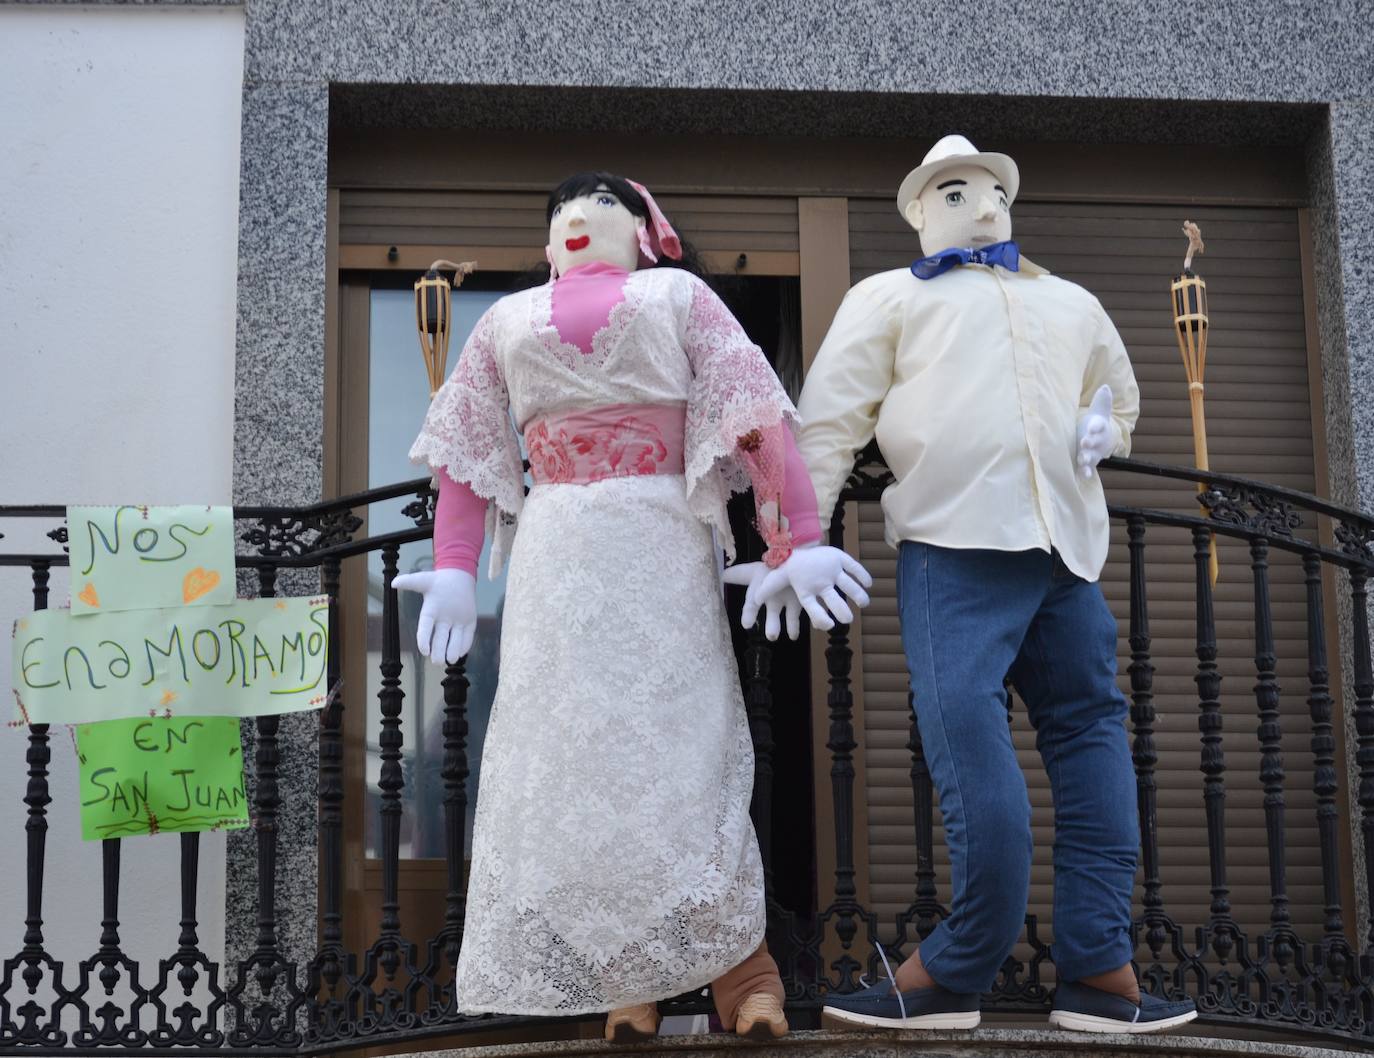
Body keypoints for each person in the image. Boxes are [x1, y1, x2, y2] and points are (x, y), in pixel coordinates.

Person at [396, 172, 872, 1042]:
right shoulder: (504, 321)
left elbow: (753, 419)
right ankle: (627, 980)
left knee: (685, 759)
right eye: (562, 211)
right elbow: (464, 449)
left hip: (660, 546)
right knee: (576, 767)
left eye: (604, 204)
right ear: (547, 242)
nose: (579, 217)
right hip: (556, 558)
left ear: (648, 230)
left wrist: (796, 536)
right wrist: (456, 566)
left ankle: (745, 975)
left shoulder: (680, 296)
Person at [779, 136, 1198, 1034]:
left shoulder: (1072, 302)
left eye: (990, 190)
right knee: (975, 736)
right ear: (918, 210)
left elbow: (1117, 399)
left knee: (1088, 734)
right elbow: (828, 425)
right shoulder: (887, 297)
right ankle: (968, 963)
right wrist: (797, 538)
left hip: (1065, 552)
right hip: (957, 544)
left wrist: (1106, 431)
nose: (978, 203)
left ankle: (1095, 968)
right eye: (953, 191)